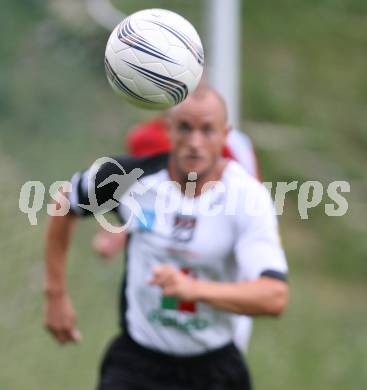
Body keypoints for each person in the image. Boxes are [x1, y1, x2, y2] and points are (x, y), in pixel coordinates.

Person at [44, 86, 289, 390]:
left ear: (225, 136)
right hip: (137, 364)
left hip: (214, 370)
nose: (195, 143)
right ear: (168, 130)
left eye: (208, 130)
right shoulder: (131, 179)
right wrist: (55, 295)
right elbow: (64, 202)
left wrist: (194, 289)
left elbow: (274, 296)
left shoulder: (247, 197)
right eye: (185, 128)